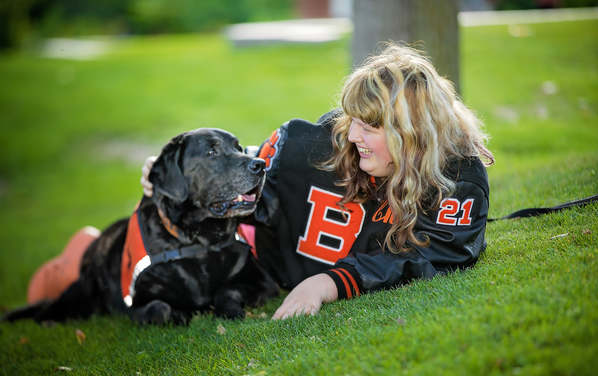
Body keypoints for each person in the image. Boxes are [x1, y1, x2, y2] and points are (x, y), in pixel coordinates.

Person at [141, 44, 494, 320]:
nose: (353, 133)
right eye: (352, 119)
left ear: (413, 134)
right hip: (255, 258)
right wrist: (175, 172)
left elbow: (429, 257)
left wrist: (327, 283)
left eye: (369, 127)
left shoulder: (458, 182)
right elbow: (261, 166)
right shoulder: (321, 142)